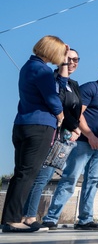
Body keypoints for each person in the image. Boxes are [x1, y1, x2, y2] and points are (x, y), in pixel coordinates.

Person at [40, 61, 98, 230]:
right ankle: (51, 217)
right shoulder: (90, 88)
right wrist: (90, 135)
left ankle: (85, 219)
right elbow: (79, 114)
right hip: (83, 143)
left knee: (93, 181)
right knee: (70, 178)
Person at [3, 36, 68, 233]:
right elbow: (52, 97)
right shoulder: (44, 70)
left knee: (20, 173)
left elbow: (60, 86)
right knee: (28, 174)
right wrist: (60, 113)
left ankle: (9, 217)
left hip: (22, 124)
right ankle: (13, 220)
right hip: (39, 126)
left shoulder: (28, 66)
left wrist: (64, 60)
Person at [24, 48, 82, 227]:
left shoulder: (74, 84)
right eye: (68, 59)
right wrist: (74, 127)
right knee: (41, 177)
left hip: (65, 138)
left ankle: (27, 215)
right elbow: (58, 105)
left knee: (45, 176)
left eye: (76, 60)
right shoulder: (54, 80)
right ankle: (29, 216)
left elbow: (75, 110)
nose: (72, 63)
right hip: (52, 133)